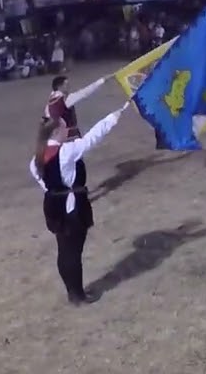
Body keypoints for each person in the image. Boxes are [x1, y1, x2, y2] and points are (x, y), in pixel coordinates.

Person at [29, 102, 134, 305]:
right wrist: (112, 118)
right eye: (64, 127)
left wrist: (56, 192)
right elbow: (93, 138)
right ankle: (77, 294)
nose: (67, 129)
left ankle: (72, 291)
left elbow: (43, 181)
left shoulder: (36, 158)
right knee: (73, 252)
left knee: (64, 249)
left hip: (53, 207)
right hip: (71, 208)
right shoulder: (67, 151)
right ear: (57, 131)